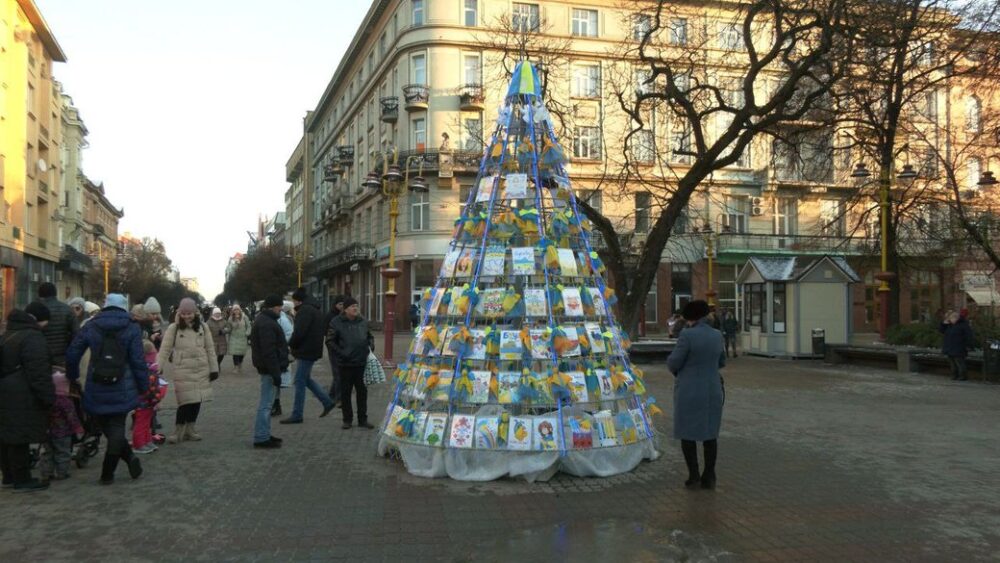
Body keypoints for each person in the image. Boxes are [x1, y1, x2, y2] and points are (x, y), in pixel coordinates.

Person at [66, 294, 148, 485]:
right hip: (123, 385)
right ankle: (110, 471)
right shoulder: (132, 327)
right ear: (123, 307)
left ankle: (121, 464)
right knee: (117, 426)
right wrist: (143, 386)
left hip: (96, 384)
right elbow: (138, 360)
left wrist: (72, 377)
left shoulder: (91, 325)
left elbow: (73, 353)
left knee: (104, 424)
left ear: (105, 306)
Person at [667, 299, 725, 490]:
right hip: (712, 389)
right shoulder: (717, 335)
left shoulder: (687, 335)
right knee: (710, 435)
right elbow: (722, 362)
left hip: (689, 391)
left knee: (688, 434)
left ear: (689, 317)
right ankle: (709, 475)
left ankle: (694, 475)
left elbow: (674, 362)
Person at [0, 304, 56, 492]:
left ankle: (9, 475)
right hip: (22, 394)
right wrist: (48, 397)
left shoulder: (9, 333)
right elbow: (39, 372)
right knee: (19, 437)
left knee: (7, 435)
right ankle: (22, 479)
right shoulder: (33, 338)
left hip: (6, 391)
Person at [157, 297, 219, 443]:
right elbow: (165, 349)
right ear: (179, 313)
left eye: (189, 313)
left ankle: (190, 429)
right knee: (185, 401)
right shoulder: (174, 328)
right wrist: (158, 367)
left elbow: (210, 348)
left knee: (197, 400)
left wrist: (214, 368)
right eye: (183, 313)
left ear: (195, 312)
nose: (186, 316)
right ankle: (177, 431)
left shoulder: (203, 327)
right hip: (182, 368)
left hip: (201, 368)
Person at [281, 287, 335, 424]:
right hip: (312, 349)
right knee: (305, 379)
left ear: (298, 301)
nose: (293, 303)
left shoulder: (304, 311)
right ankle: (327, 402)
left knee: (299, 381)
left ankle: (297, 414)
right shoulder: (315, 310)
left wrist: (290, 344)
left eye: (293, 301)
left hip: (306, 350)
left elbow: (299, 332)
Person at [328, 297, 375, 430]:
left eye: (356, 306)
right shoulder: (336, 322)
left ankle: (363, 419)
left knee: (362, 392)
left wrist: (370, 346)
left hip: (361, 363)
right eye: (352, 306)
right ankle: (347, 420)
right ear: (346, 309)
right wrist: (342, 353)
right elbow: (330, 341)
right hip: (345, 364)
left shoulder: (363, 321)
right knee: (346, 393)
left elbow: (369, 336)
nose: (355, 308)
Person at [250, 295, 288, 448]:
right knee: (266, 404)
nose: (281, 309)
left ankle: (264, 433)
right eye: (279, 306)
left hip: (268, 368)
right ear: (273, 307)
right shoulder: (267, 323)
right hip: (269, 369)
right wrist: (276, 372)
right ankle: (261, 437)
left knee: (267, 403)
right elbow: (269, 351)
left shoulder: (265, 320)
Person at [38, 368, 83, 481]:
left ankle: (46, 473)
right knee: (63, 453)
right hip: (63, 433)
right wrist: (78, 428)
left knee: (47, 453)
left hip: (47, 432)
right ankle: (62, 473)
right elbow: (71, 416)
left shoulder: (46, 400)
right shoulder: (65, 401)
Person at [132, 340, 165, 454]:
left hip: (149, 400)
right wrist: (156, 399)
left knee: (146, 423)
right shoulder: (147, 370)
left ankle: (146, 441)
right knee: (141, 424)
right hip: (144, 401)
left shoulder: (150, 368)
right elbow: (150, 387)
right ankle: (139, 444)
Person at [37, 282, 76, 368]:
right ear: (55, 293)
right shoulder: (67, 309)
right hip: (62, 357)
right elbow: (76, 334)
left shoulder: (36, 309)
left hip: (41, 357)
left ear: (40, 294)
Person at [272, 301, 295, 417]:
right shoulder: (279, 318)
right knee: (274, 381)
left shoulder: (283, 319)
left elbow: (290, 333)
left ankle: (275, 405)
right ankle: (275, 405)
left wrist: (279, 342)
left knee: (275, 381)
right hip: (277, 353)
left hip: (279, 353)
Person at [324, 295, 346, 405]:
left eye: (343, 304)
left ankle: (332, 395)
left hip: (342, 347)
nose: (342, 306)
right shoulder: (331, 316)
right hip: (333, 347)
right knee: (338, 373)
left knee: (339, 372)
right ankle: (339, 397)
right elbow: (326, 332)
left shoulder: (343, 315)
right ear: (335, 305)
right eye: (340, 304)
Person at [941, 310, 975, 381]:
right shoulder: (949, 325)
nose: (950, 319)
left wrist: (969, 345)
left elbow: (969, 336)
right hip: (950, 347)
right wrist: (944, 323)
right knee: (952, 362)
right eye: (949, 318)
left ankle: (962, 376)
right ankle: (954, 375)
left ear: (957, 318)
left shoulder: (963, 325)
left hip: (959, 347)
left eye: (952, 318)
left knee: (959, 362)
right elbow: (941, 330)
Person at [227, 306, 250, 375]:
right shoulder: (230, 318)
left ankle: (240, 363)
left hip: (242, 337)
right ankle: (236, 367)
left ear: (240, 310)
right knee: (235, 353)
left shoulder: (244, 317)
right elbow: (229, 328)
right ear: (233, 311)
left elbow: (248, 326)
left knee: (241, 353)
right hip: (234, 337)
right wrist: (226, 330)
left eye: (237, 310)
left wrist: (247, 333)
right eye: (235, 310)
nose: (236, 311)